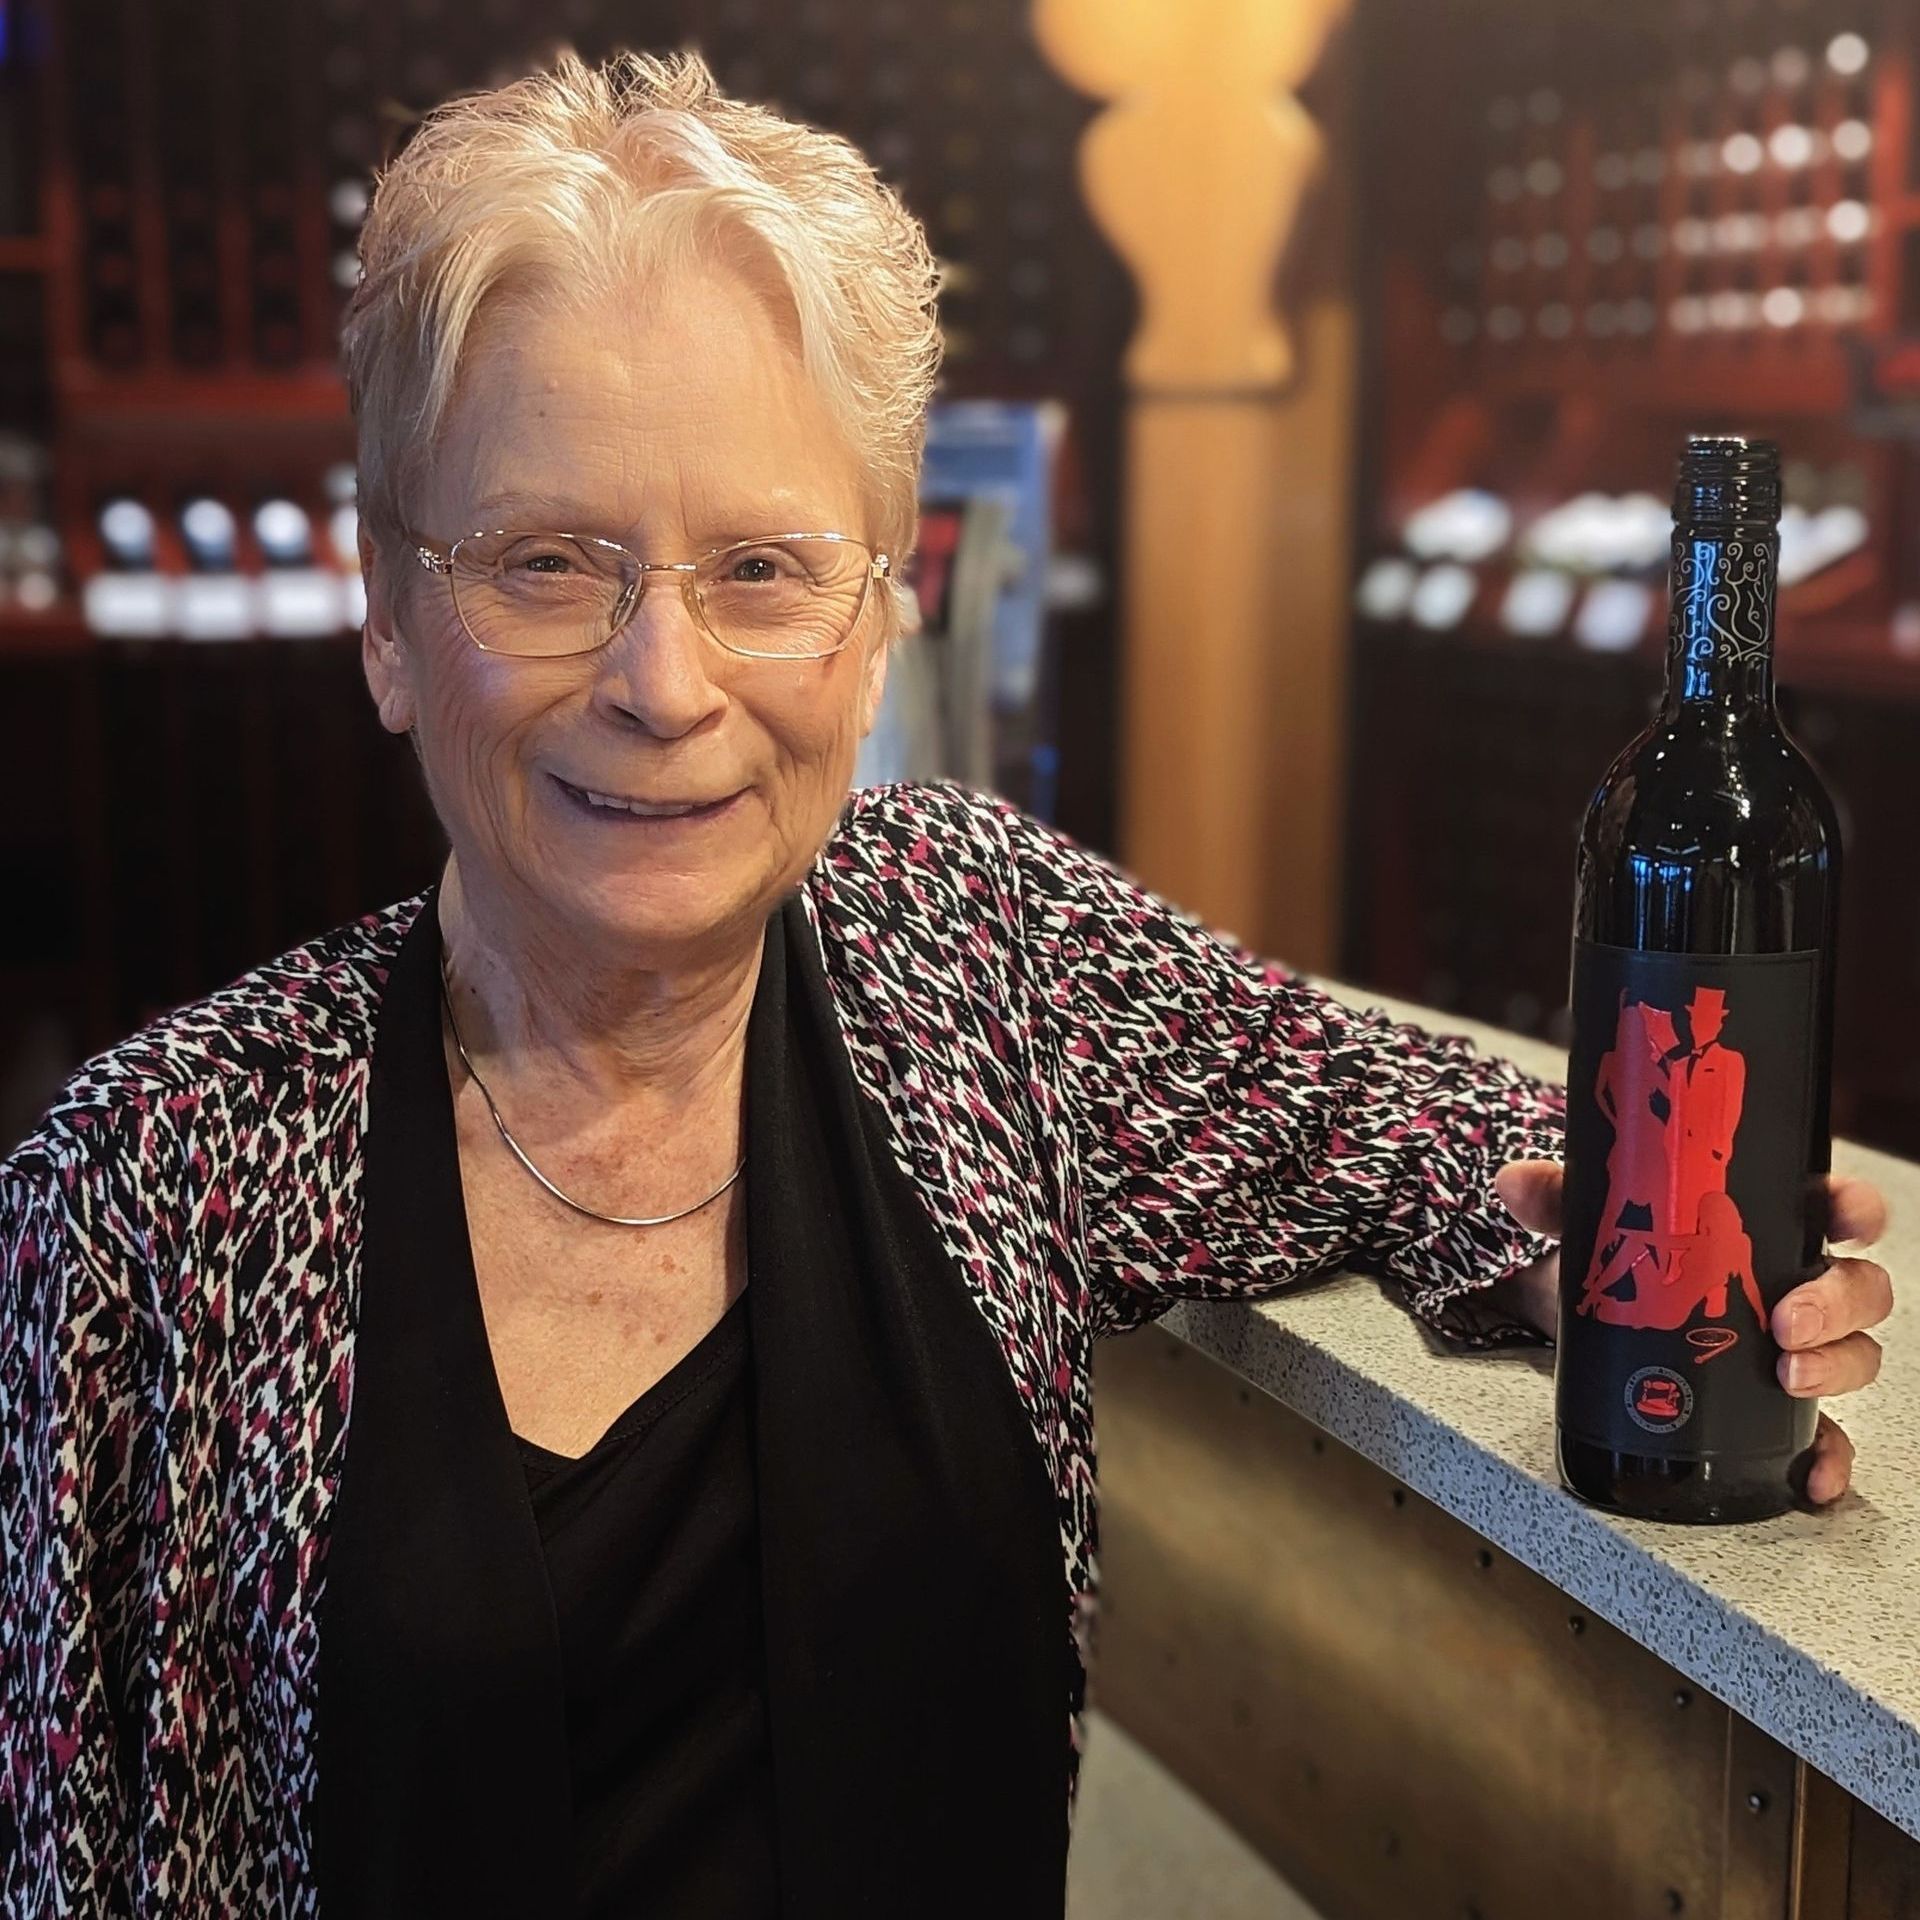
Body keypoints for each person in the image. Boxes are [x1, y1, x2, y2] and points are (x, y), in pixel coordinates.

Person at [0, 49, 1895, 1920]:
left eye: (760, 568)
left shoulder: (972, 960)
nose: (665, 682)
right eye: (550, 563)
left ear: (882, 620)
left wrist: (1611, 1260)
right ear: (392, 622)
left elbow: (1388, 1118)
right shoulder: (151, 1188)